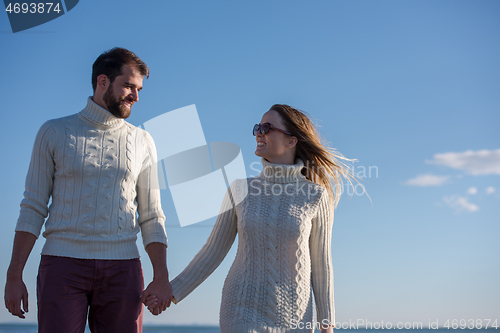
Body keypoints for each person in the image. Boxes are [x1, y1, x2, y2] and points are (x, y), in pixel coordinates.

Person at [146, 104, 359, 332]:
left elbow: (321, 264)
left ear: (291, 140)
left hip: (297, 318)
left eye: (266, 128)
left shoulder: (315, 195)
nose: (258, 133)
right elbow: (213, 251)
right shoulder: (239, 189)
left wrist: (327, 324)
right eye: (257, 127)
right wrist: (172, 290)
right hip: (242, 311)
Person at [4, 47, 172, 333]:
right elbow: (33, 206)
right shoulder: (54, 132)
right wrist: (14, 275)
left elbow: (152, 214)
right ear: (102, 82)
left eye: (139, 88)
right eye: (129, 86)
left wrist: (161, 276)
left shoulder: (143, 141)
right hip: (62, 266)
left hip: (124, 268)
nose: (136, 96)